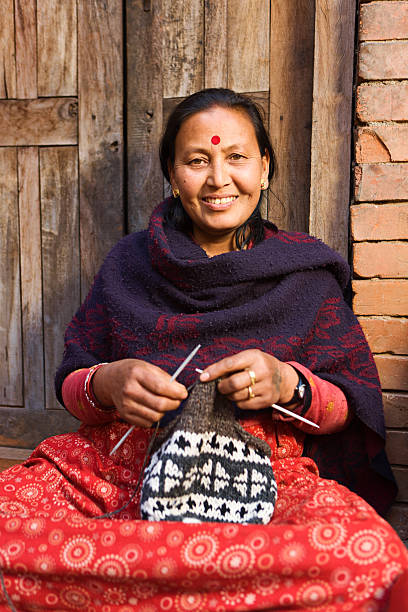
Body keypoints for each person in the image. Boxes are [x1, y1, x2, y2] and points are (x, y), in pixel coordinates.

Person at [0, 88, 407, 611]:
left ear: (264, 168)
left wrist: (291, 384)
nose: (218, 179)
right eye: (198, 160)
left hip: (264, 479)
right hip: (109, 472)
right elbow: (72, 381)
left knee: (369, 563)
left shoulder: (305, 278)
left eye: (237, 157)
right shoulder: (129, 264)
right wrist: (106, 383)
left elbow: (351, 405)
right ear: (173, 173)